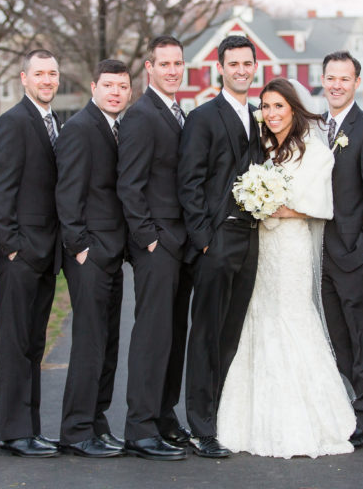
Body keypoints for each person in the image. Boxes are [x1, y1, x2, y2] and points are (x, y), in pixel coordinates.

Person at [216, 78, 356, 459]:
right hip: (259, 247)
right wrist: (256, 200)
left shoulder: (314, 150)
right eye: (266, 107)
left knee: (292, 319)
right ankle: (253, 419)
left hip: (291, 247)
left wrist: (275, 206)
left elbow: (321, 205)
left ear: (293, 108)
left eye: (279, 106)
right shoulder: (260, 148)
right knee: (258, 319)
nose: (272, 114)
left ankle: (309, 421)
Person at [177, 34, 262, 458]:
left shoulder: (261, 116)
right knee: (207, 333)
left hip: (251, 241)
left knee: (231, 333)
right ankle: (200, 425)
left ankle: (222, 415)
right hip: (216, 240)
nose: (242, 70)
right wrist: (204, 240)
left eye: (248, 63)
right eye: (234, 64)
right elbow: (189, 182)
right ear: (221, 68)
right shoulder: (203, 117)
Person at [117, 36, 193, 461]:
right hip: (156, 244)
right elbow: (129, 185)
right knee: (151, 334)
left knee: (172, 333)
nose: (172, 70)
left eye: (177, 63)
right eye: (164, 64)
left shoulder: (176, 113)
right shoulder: (142, 116)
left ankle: (164, 415)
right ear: (149, 68)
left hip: (178, 243)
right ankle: (139, 427)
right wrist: (149, 238)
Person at [0, 49, 63, 458]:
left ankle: (31, 428)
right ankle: (15, 433)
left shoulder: (54, 123)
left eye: (52, 74)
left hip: (46, 254)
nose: (47, 80)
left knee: (34, 343)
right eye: (40, 74)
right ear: (23, 78)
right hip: (20, 254)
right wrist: (12, 247)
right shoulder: (14, 123)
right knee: (15, 343)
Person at [55, 59, 131, 458]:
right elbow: (67, 194)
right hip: (89, 254)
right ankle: (76, 430)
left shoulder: (117, 129)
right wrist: (82, 247)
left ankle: (97, 422)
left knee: (107, 342)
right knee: (88, 343)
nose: (115, 92)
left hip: (112, 253)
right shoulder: (80, 129)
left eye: (122, 86)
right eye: (108, 85)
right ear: (93, 87)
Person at [318, 51, 363, 448]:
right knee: (336, 338)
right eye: (331, 78)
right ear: (323, 79)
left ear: (356, 82)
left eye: (344, 79)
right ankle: (349, 402)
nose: (336, 85)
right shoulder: (316, 128)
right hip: (322, 255)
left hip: (355, 254)